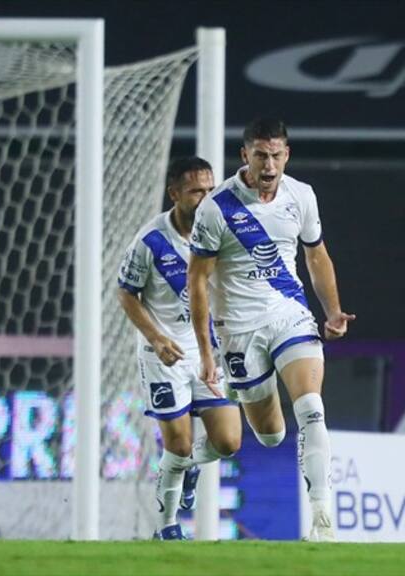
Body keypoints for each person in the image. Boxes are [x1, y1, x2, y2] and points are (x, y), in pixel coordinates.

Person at [188, 118, 355, 542]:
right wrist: (208, 352)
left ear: (287, 155)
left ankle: (323, 517)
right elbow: (197, 281)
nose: (269, 164)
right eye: (261, 155)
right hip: (239, 330)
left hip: (289, 315)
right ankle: (190, 458)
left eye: (277, 155)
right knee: (270, 435)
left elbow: (316, 256)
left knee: (312, 409)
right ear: (245, 155)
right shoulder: (216, 208)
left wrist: (332, 311)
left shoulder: (302, 196)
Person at [117, 156, 241, 541]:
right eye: (195, 192)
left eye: (209, 190)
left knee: (228, 442)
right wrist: (155, 336)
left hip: (209, 351)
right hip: (164, 355)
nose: (205, 198)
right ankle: (167, 526)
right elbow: (126, 293)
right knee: (178, 442)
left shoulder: (222, 230)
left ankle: (187, 466)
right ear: (174, 194)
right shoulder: (150, 241)